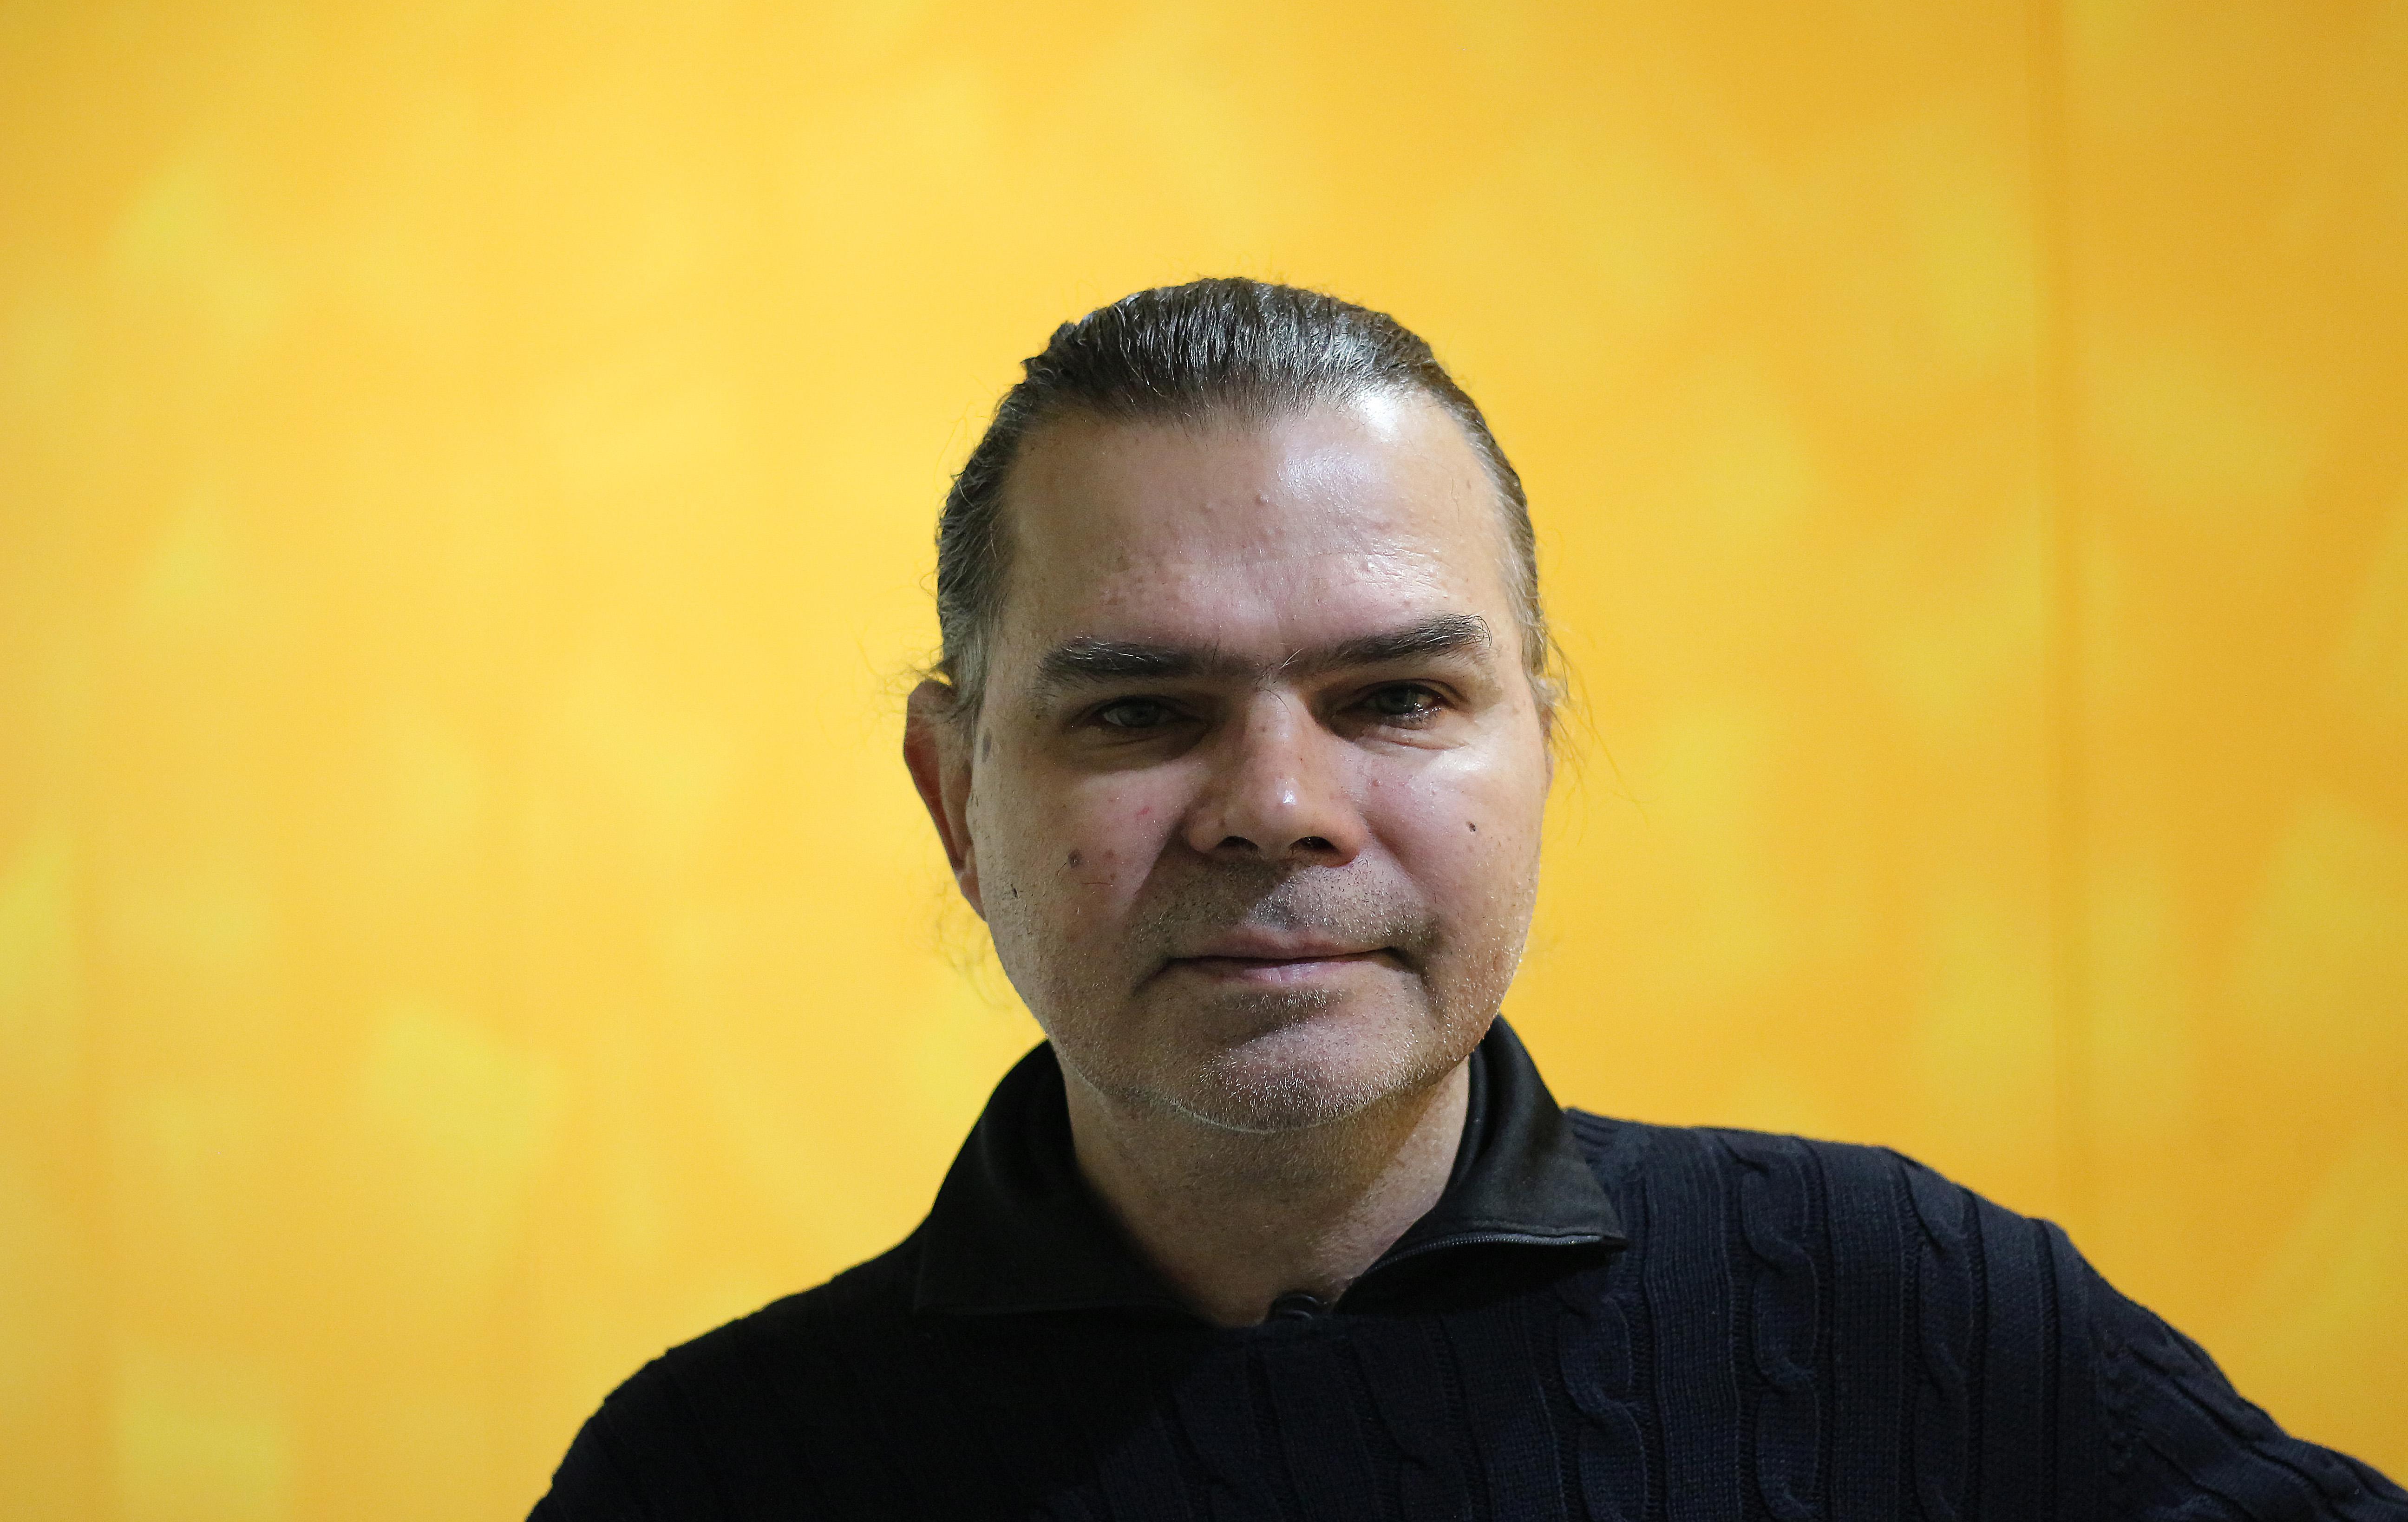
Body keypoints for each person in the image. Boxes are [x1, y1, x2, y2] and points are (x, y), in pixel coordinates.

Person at [533, 280, 2404, 1520]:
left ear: (1540, 754)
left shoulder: (1905, 1322)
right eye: (1140, 713)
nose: (1279, 810)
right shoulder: (720, 1476)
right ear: (955, 794)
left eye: (1398, 699)